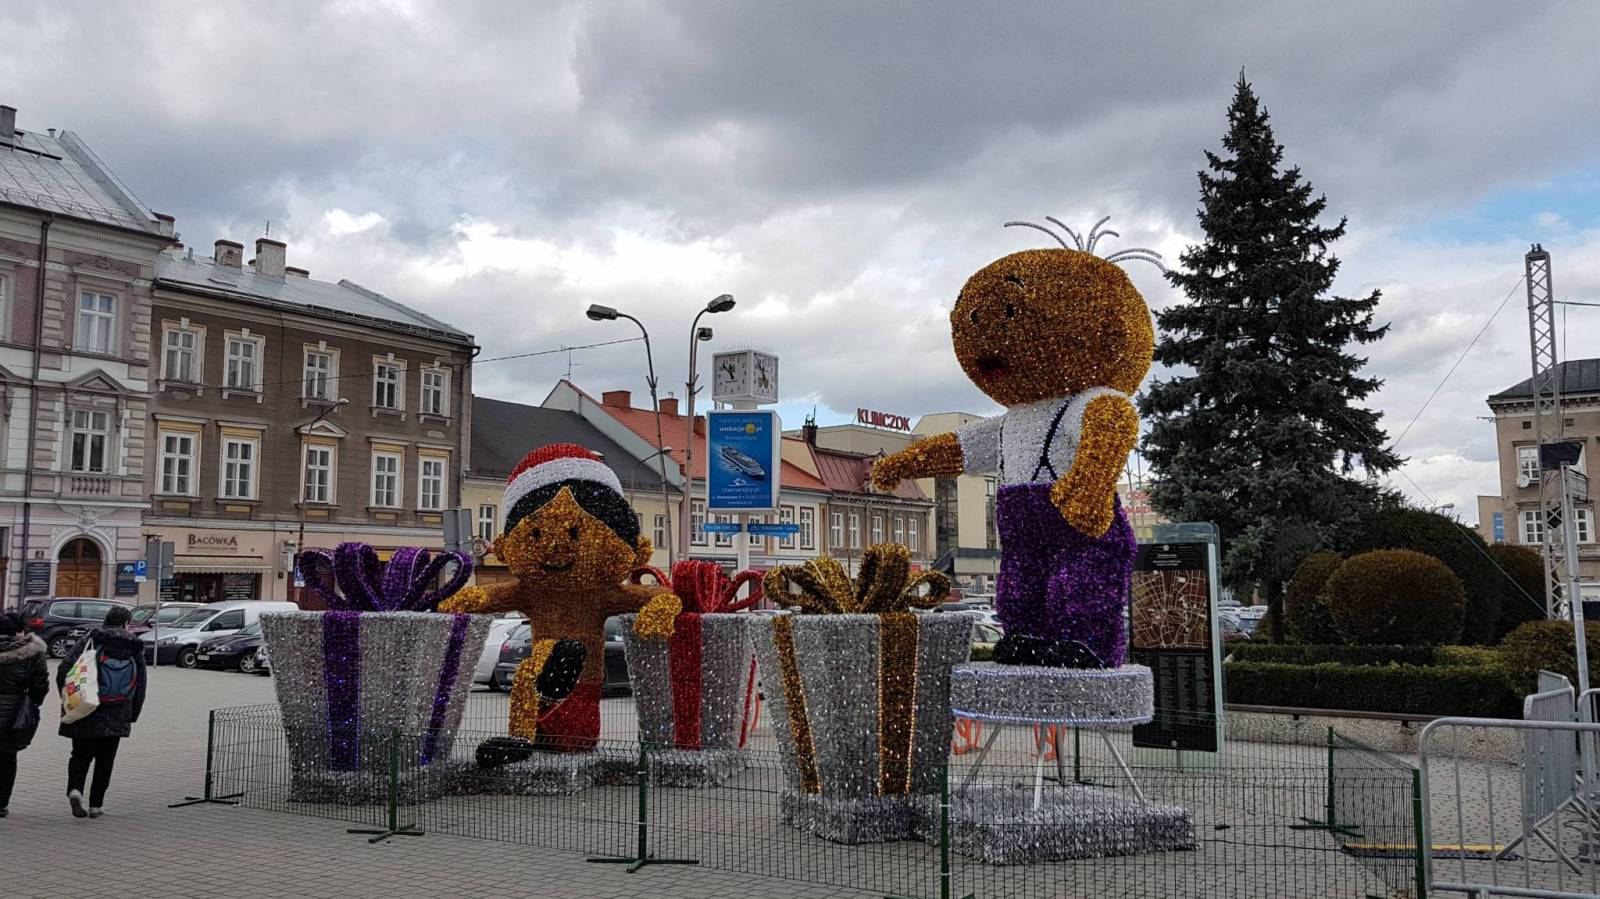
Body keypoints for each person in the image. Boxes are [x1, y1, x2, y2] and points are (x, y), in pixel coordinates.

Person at [56, 605, 146, 818]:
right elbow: (141, 683)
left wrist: (68, 699)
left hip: (86, 706)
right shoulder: (134, 646)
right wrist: (133, 714)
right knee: (106, 759)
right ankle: (96, 805)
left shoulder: (91, 639)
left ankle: (75, 790)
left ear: (106, 620)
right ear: (126, 623)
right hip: (118, 709)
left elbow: (65, 669)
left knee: (80, 754)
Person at [0, 611, 49, 817]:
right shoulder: (33, 652)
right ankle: (1, 804)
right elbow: (40, 684)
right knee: (7, 759)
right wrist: (32, 704)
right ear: (20, 631)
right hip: (15, 713)